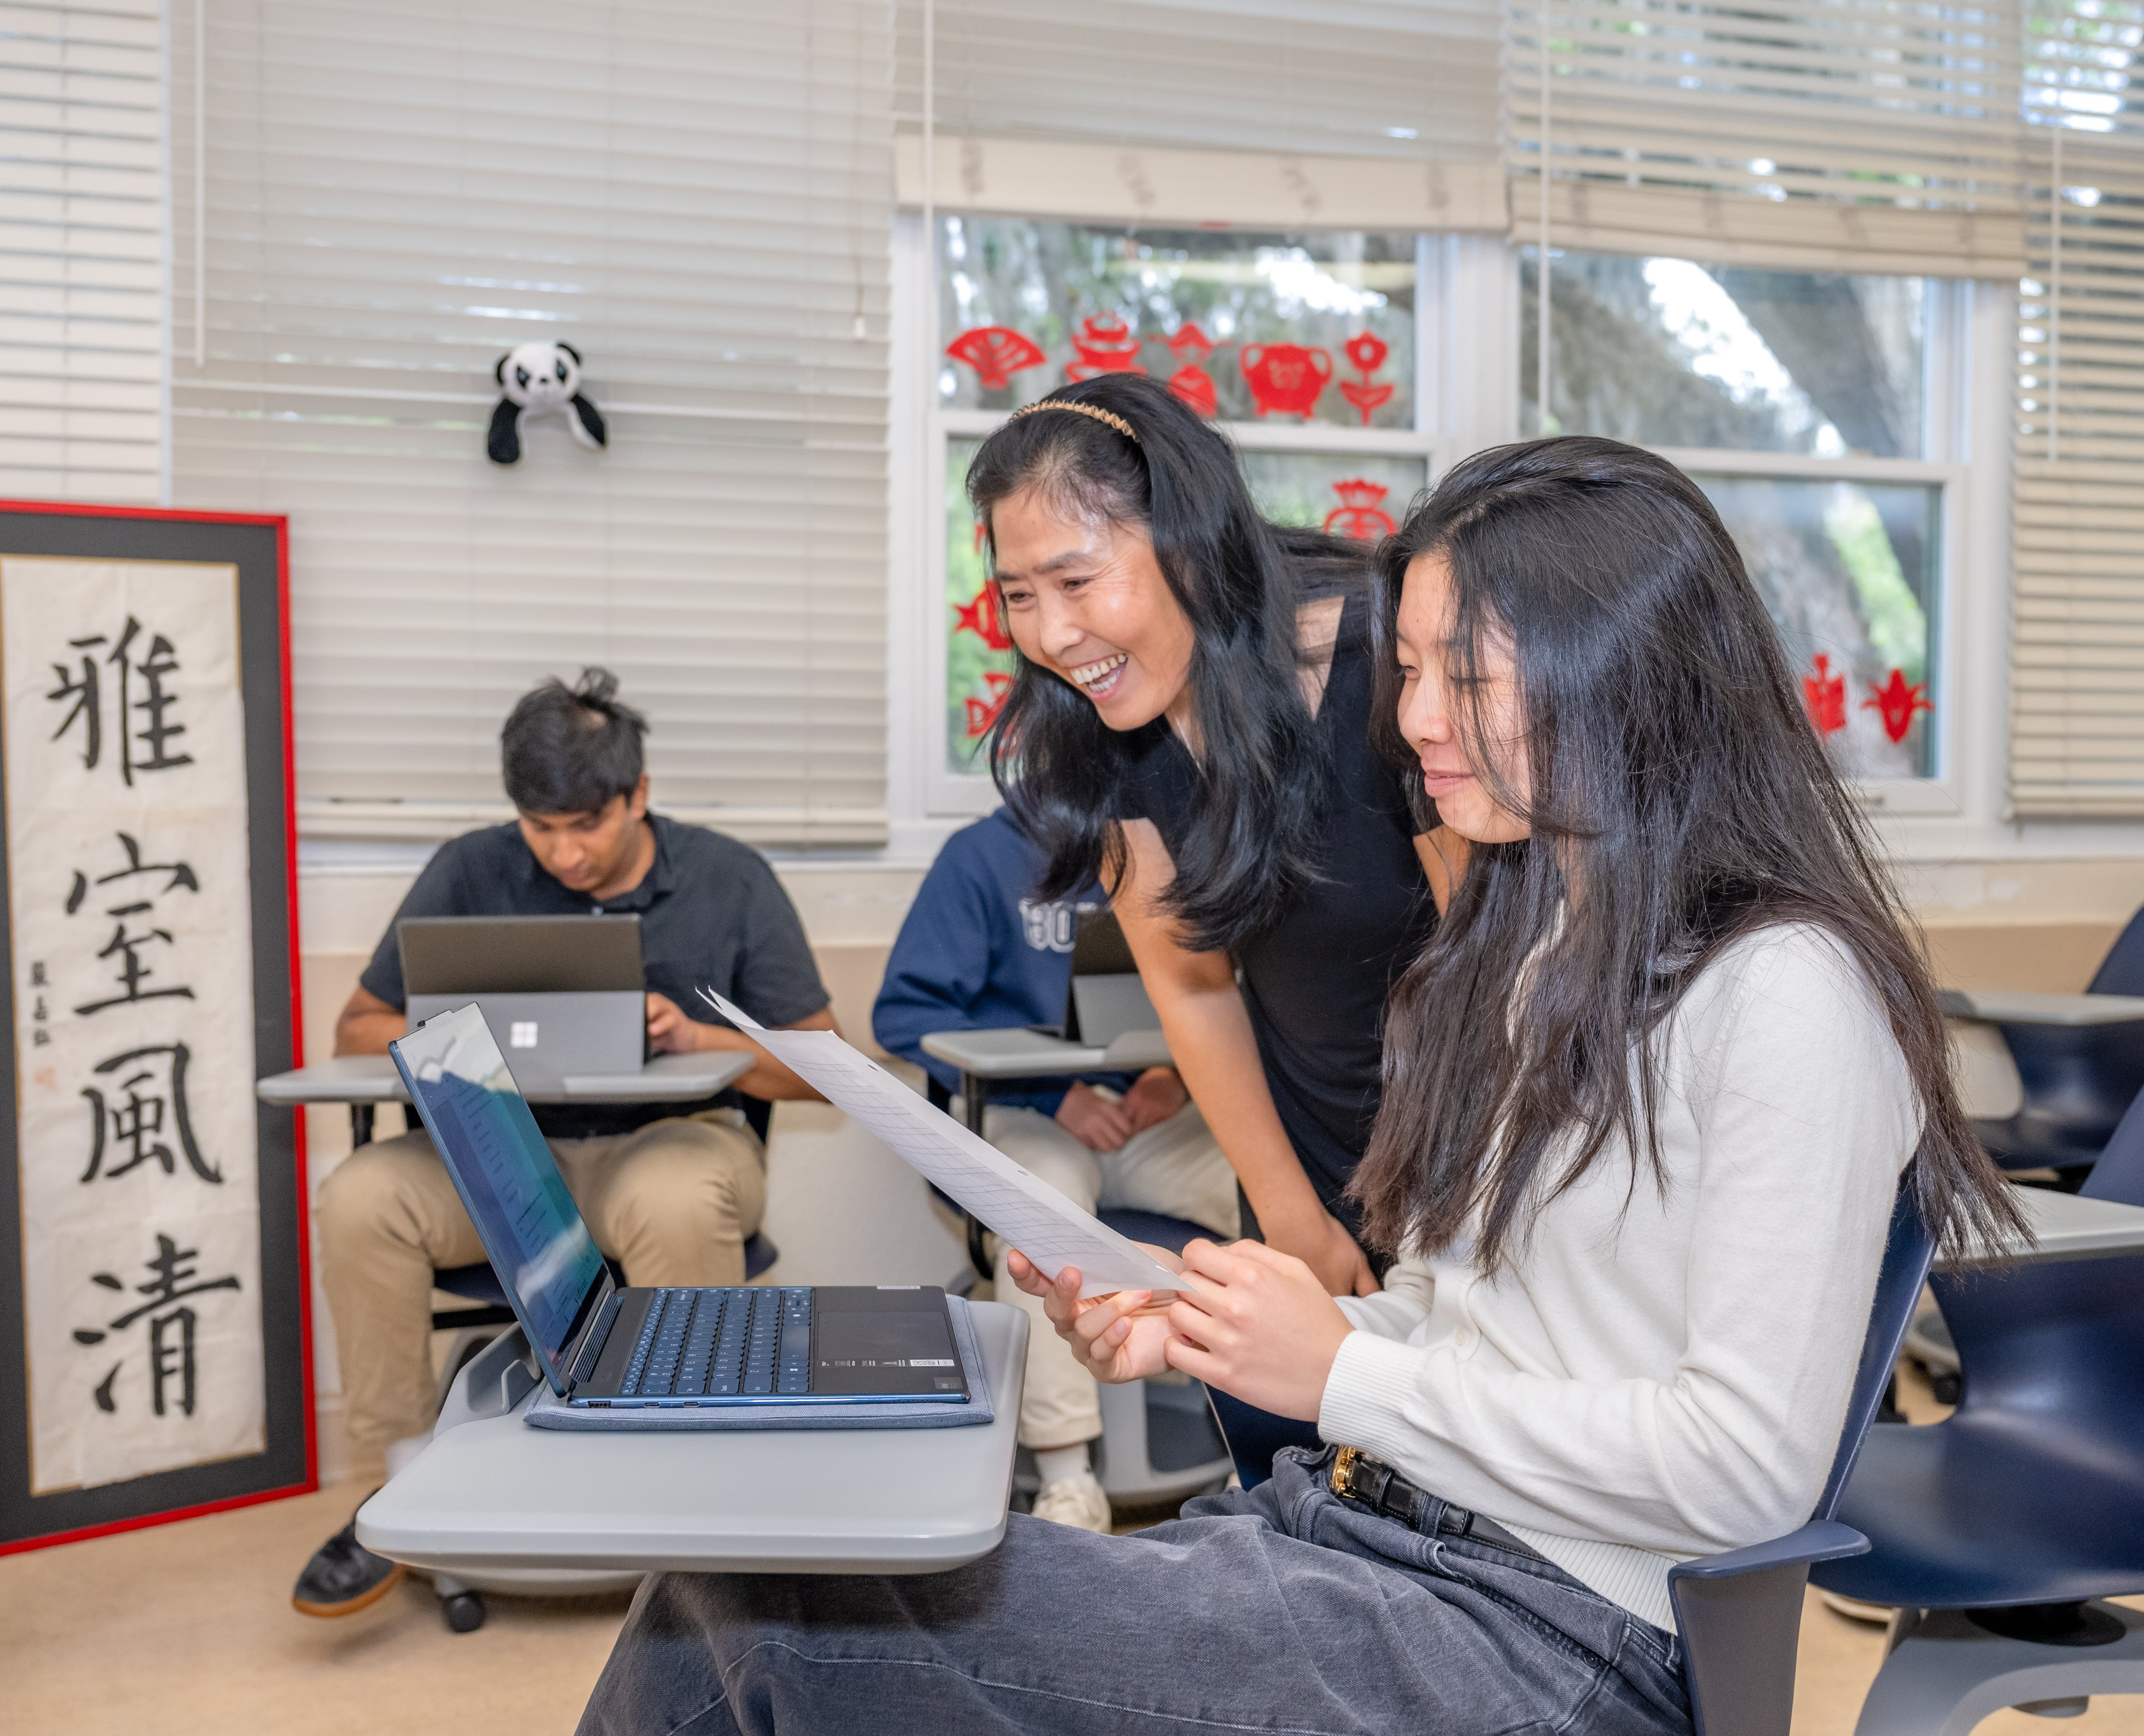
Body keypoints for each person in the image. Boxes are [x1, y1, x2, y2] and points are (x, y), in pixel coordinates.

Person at [576, 438, 2024, 1736]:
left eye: (1463, 676)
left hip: (1548, 1632)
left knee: (753, 1603)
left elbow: (1748, 1471)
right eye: (1412, 669)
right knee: (755, 1574)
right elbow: (1463, 1326)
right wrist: (1218, 1325)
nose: (1413, 719)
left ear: (1622, 677)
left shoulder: (1787, 993)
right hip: (1373, 1533)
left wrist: (1339, 1371)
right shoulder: (1539, 949)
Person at [295, 669, 838, 1618]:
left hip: (669, 1142)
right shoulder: (469, 869)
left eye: (586, 825)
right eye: (540, 828)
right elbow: (358, 1027)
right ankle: (403, 1482)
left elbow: (822, 1064)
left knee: (672, 1196)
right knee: (359, 1195)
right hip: (504, 1156)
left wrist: (692, 1035)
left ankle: (693, 1499)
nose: (564, 852)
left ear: (638, 793)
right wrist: (460, 1033)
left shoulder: (729, 877)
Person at [980, 374, 1457, 1300]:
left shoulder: (1384, 660)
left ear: (1189, 542)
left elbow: (1489, 965)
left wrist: (1457, 1203)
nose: (1053, 633)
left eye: (1075, 581)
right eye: (1019, 595)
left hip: (1470, 1142)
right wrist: (1289, 1213)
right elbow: (1189, 984)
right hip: (1306, 1152)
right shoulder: (1105, 721)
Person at [873, 807, 1238, 1531]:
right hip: (1024, 1113)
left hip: (1143, 1112)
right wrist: (1055, 1094)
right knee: (1038, 1202)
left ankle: (1265, 1442)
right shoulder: (979, 857)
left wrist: (1174, 1074)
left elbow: (1214, 991)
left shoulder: (1167, 847)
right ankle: (1068, 1478)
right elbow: (904, 1015)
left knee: (1263, 1188)